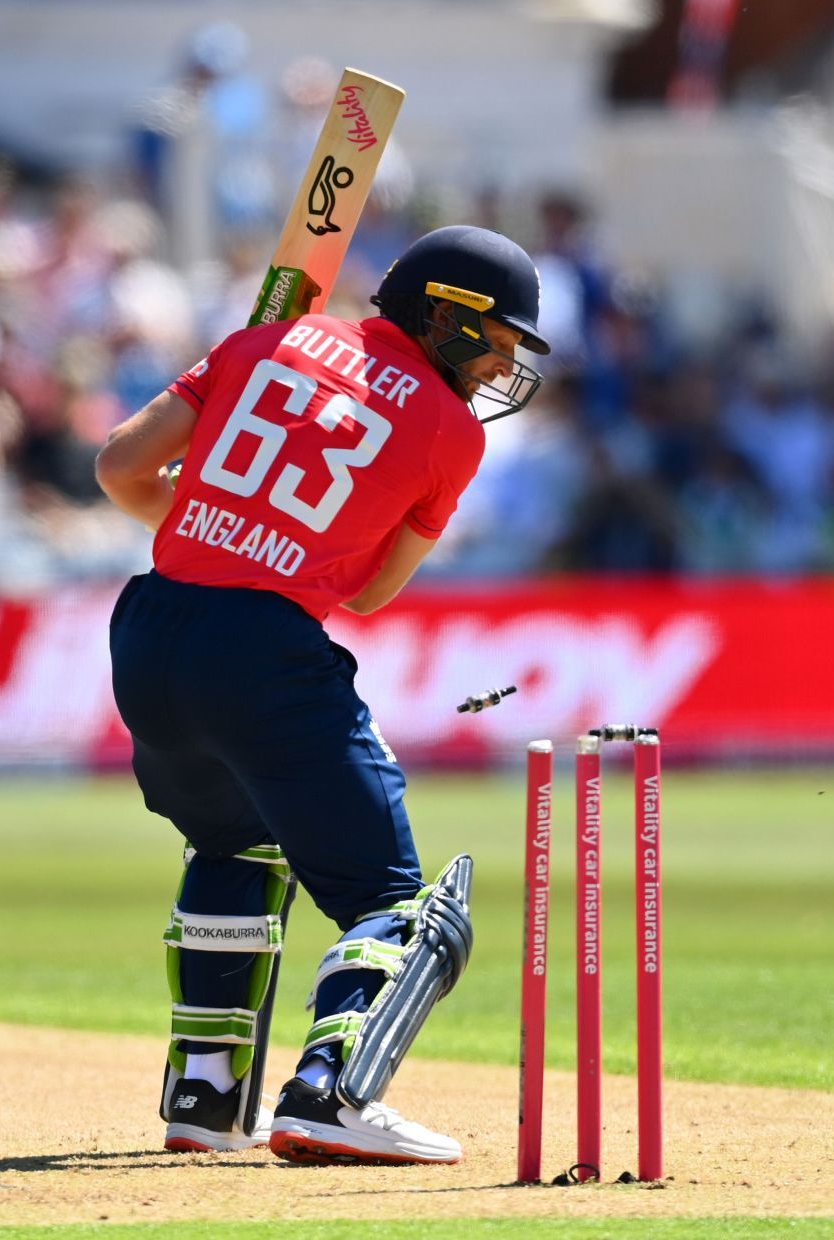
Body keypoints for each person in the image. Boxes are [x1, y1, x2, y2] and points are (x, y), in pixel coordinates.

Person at [95, 225, 548, 1164]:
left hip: (148, 635)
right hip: (266, 651)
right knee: (399, 903)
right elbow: (371, 591)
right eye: (500, 336)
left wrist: (212, 515)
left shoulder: (262, 340)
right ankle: (328, 1095)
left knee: (231, 842)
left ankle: (206, 1103)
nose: (506, 361)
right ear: (446, 315)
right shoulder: (449, 432)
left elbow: (118, 469)